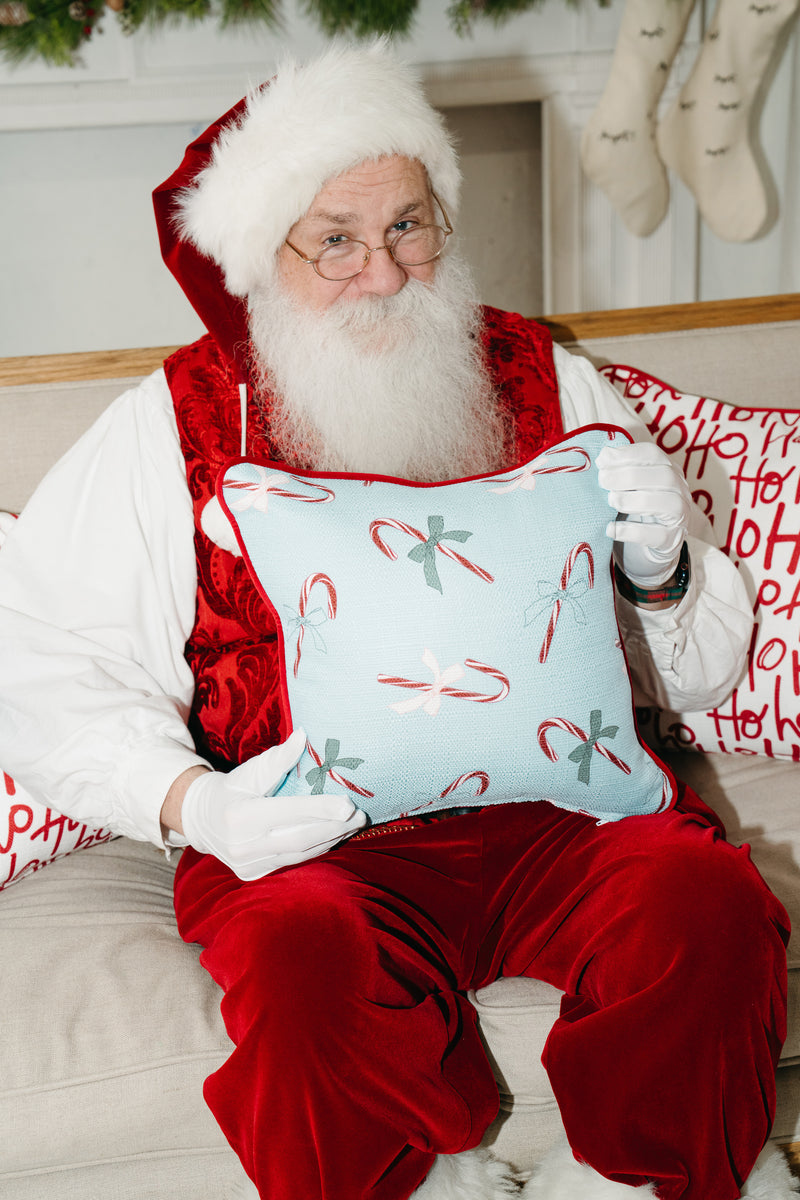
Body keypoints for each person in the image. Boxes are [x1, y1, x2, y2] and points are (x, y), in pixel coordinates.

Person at [0, 39, 793, 1200]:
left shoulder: (543, 378)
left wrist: (664, 570)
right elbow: (45, 663)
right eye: (333, 239)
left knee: (707, 907)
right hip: (310, 835)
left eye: (410, 226)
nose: (384, 273)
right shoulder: (169, 420)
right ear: (259, 260)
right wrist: (191, 802)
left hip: (562, 815)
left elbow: (702, 683)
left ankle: (647, 1183)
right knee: (301, 958)